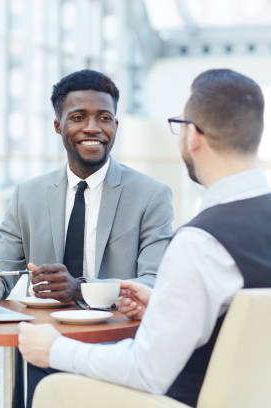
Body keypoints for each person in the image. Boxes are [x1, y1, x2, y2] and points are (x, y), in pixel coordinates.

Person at [18, 68, 271, 407]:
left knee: (35, 382)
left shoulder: (202, 242)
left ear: (193, 135)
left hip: (179, 398)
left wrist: (53, 347)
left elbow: (147, 370)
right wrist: (163, 305)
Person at [0, 69, 174, 407]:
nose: (93, 127)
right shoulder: (29, 194)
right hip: (40, 357)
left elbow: (153, 284)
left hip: (115, 359)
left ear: (115, 125)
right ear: (58, 126)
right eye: (79, 117)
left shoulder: (151, 195)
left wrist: (80, 288)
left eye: (104, 118)